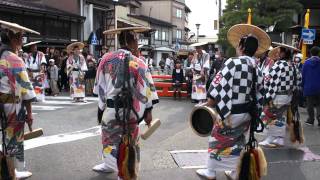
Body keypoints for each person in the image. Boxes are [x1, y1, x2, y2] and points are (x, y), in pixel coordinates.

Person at [196, 24, 269, 179]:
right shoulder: (258, 66)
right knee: (238, 141)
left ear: (242, 47)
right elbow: (261, 91)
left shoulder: (233, 62)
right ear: (255, 50)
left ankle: (211, 170)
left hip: (230, 111)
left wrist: (209, 102)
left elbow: (219, 84)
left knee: (217, 137)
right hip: (248, 112)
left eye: (238, 45)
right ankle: (236, 171)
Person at [92, 27, 159, 180]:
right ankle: (126, 173)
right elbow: (147, 90)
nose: (137, 43)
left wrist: (101, 108)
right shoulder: (139, 63)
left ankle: (109, 164)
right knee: (130, 143)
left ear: (120, 41)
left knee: (109, 139)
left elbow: (100, 87)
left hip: (110, 108)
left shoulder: (106, 58)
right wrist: (148, 112)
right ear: (132, 41)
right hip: (131, 112)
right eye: (136, 40)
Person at [0, 19, 39, 179]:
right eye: (21, 37)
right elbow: (26, 92)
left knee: (3, 137)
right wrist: (29, 114)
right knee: (12, 141)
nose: (22, 40)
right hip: (11, 106)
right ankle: (11, 173)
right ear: (13, 38)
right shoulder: (14, 59)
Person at [259, 43, 301, 147]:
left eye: (279, 51)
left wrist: (268, 96)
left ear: (283, 53)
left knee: (269, 115)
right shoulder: (293, 65)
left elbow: (273, 81)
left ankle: (270, 138)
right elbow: (299, 80)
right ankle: (279, 138)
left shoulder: (279, 64)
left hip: (278, 96)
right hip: (288, 96)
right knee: (280, 117)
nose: (278, 53)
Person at [303, 46, 320, 126]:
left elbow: (303, 75)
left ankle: (311, 119)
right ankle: (319, 119)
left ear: (310, 53)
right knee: (319, 104)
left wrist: (303, 85)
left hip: (308, 87)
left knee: (309, 104)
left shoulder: (306, 63)